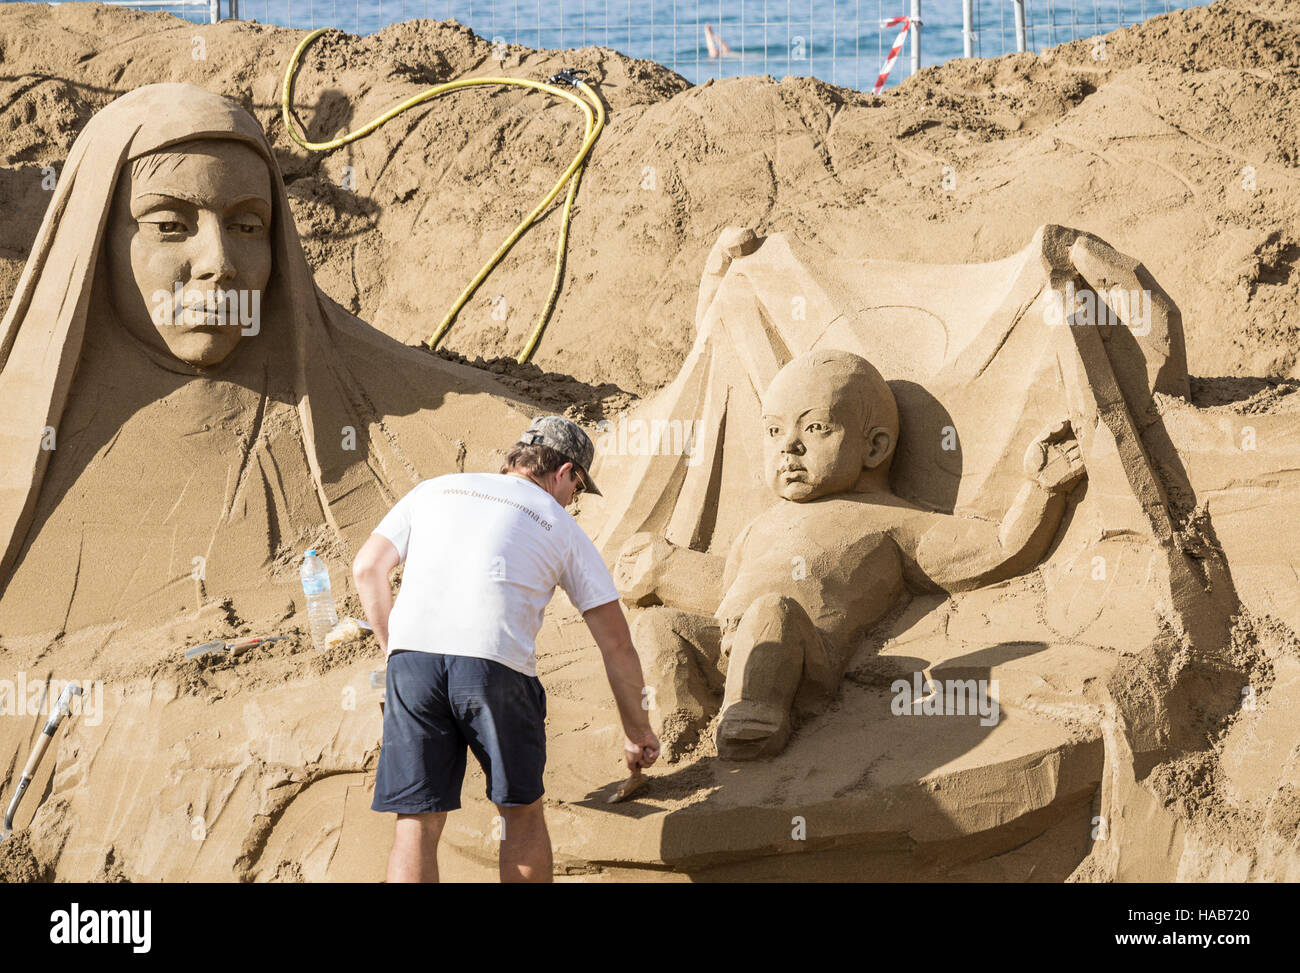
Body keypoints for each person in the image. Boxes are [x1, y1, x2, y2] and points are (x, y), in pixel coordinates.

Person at [353, 415, 660, 882]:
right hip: (495, 666)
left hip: (413, 663)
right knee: (520, 813)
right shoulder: (560, 523)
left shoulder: (434, 489)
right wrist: (638, 731)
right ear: (565, 473)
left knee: (416, 821)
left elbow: (367, 567)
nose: (572, 501)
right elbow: (616, 641)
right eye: (577, 490)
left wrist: (396, 651)